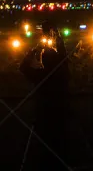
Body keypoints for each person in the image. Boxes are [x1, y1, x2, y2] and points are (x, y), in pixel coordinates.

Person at [20, 26, 69, 170]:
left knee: (44, 147)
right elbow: (64, 59)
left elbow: (23, 67)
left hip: (43, 116)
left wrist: (36, 49)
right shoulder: (62, 74)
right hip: (61, 114)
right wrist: (59, 41)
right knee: (60, 145)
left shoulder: (40, 75)